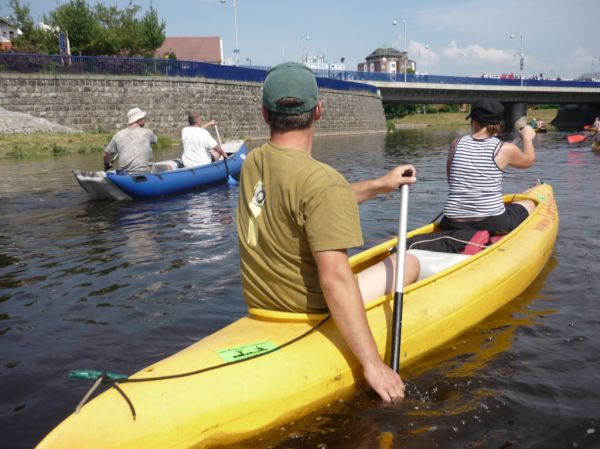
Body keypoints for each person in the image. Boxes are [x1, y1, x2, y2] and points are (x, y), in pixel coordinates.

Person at [236, 62, 419, 402]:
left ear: (264, 114)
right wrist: (372, 364)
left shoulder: (253, 163)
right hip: (310, 312)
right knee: (408, 262)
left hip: (262, 305)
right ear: (319, 110)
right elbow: (334, 279)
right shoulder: (322, 182)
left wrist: (381, 184)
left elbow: (308, 202)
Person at [440, 98, 537, 235]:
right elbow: (529, 161)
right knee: (530, 204)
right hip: (491, 222)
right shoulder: (505, 148)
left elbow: (452, 181)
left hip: (451, 221)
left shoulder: (455, 144)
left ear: (473, 121)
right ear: (499, 123)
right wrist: (527, 137)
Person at [103, 107, 157, 173]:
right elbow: (155, 140)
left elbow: (106, 155)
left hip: (125, 174)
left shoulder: (118, 135)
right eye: (143, 118)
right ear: (138, 119)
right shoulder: (148, 132)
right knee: (168, 167)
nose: (144, 120)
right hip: (146, 172)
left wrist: (107, 164)